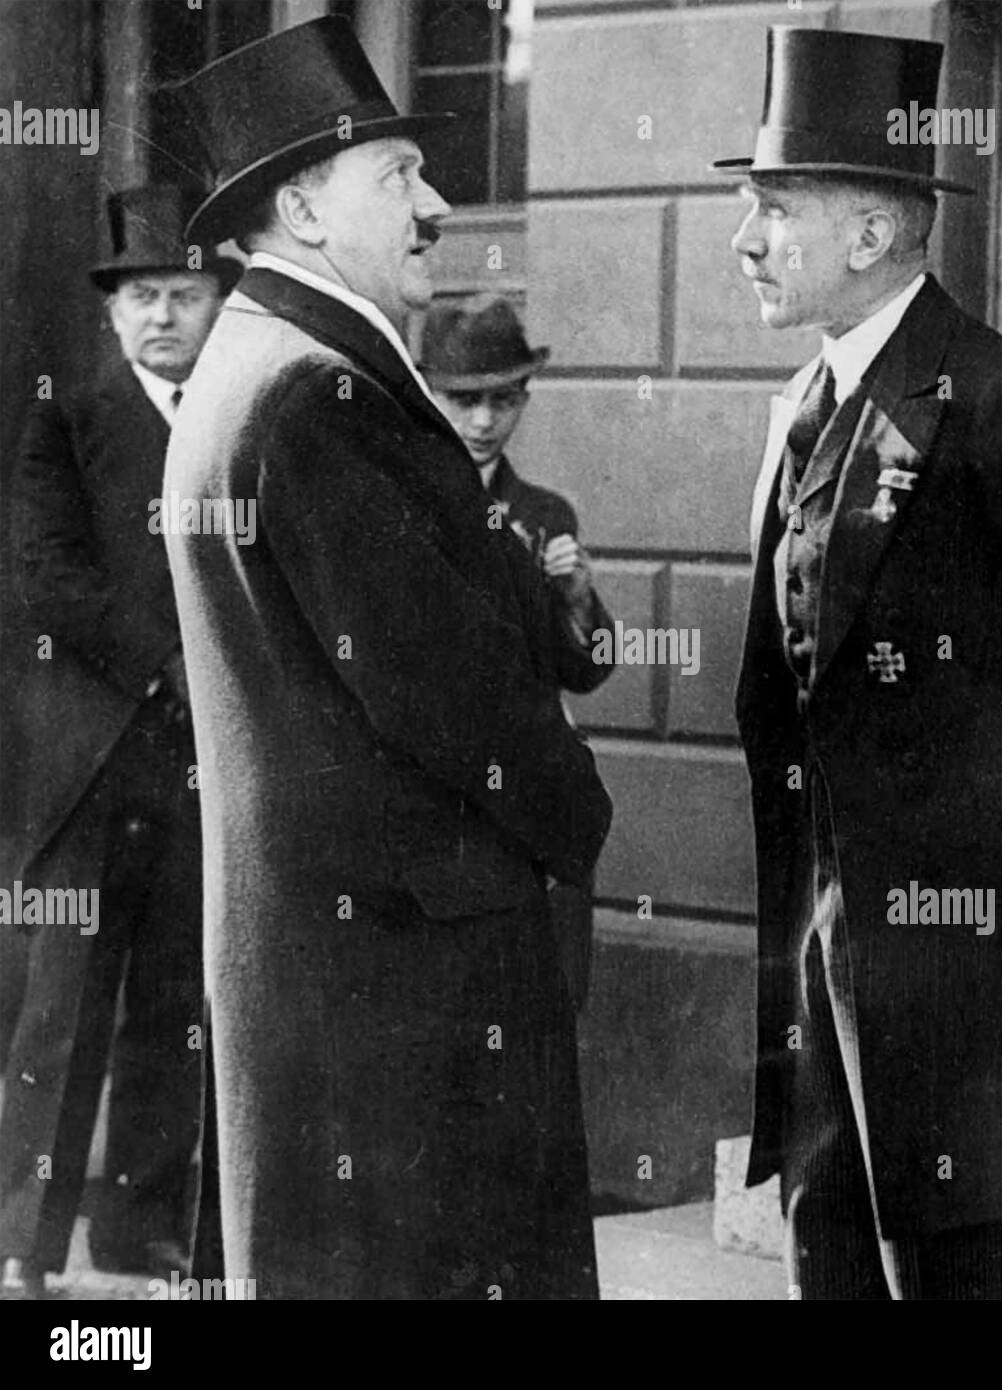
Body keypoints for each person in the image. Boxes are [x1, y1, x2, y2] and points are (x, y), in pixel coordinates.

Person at [719, 28, 1002, 1300]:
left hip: (965, 962)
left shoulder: (991, 398)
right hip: (819, 942)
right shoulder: (806, 400)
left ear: (869, 234)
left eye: (772, 210)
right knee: (834, 1263)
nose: (744, 242)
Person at [165, 17, 611, 1300]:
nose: (437, 207)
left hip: (340, 982)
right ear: (303, 210)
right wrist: (577, 813)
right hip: (404, 991)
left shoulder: (260, 365)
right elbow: (442, 688)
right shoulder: (321, 390)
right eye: (399, 178)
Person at [0, 183, 239, 1298]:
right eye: (142, 295)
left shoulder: (241, 419)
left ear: (216, 305)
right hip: (96, 761)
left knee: (176, 1006)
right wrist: (165, 664)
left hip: (210, 763)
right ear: (111, 311)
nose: (161, 316)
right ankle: (26, 1246)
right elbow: (50, 579)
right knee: (65, 1011)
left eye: (184, 296)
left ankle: (142, 1238)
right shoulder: (69, 417)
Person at [422, 294, 615, 1007]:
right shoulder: (397, 504)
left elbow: (588, 669)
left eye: (504, 400)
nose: (482, 421)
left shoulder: (542, 513)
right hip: (441, 802)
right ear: (427, 396)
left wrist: (575, 601)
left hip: (532, 791)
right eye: (462, 400)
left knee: (549, 1000)